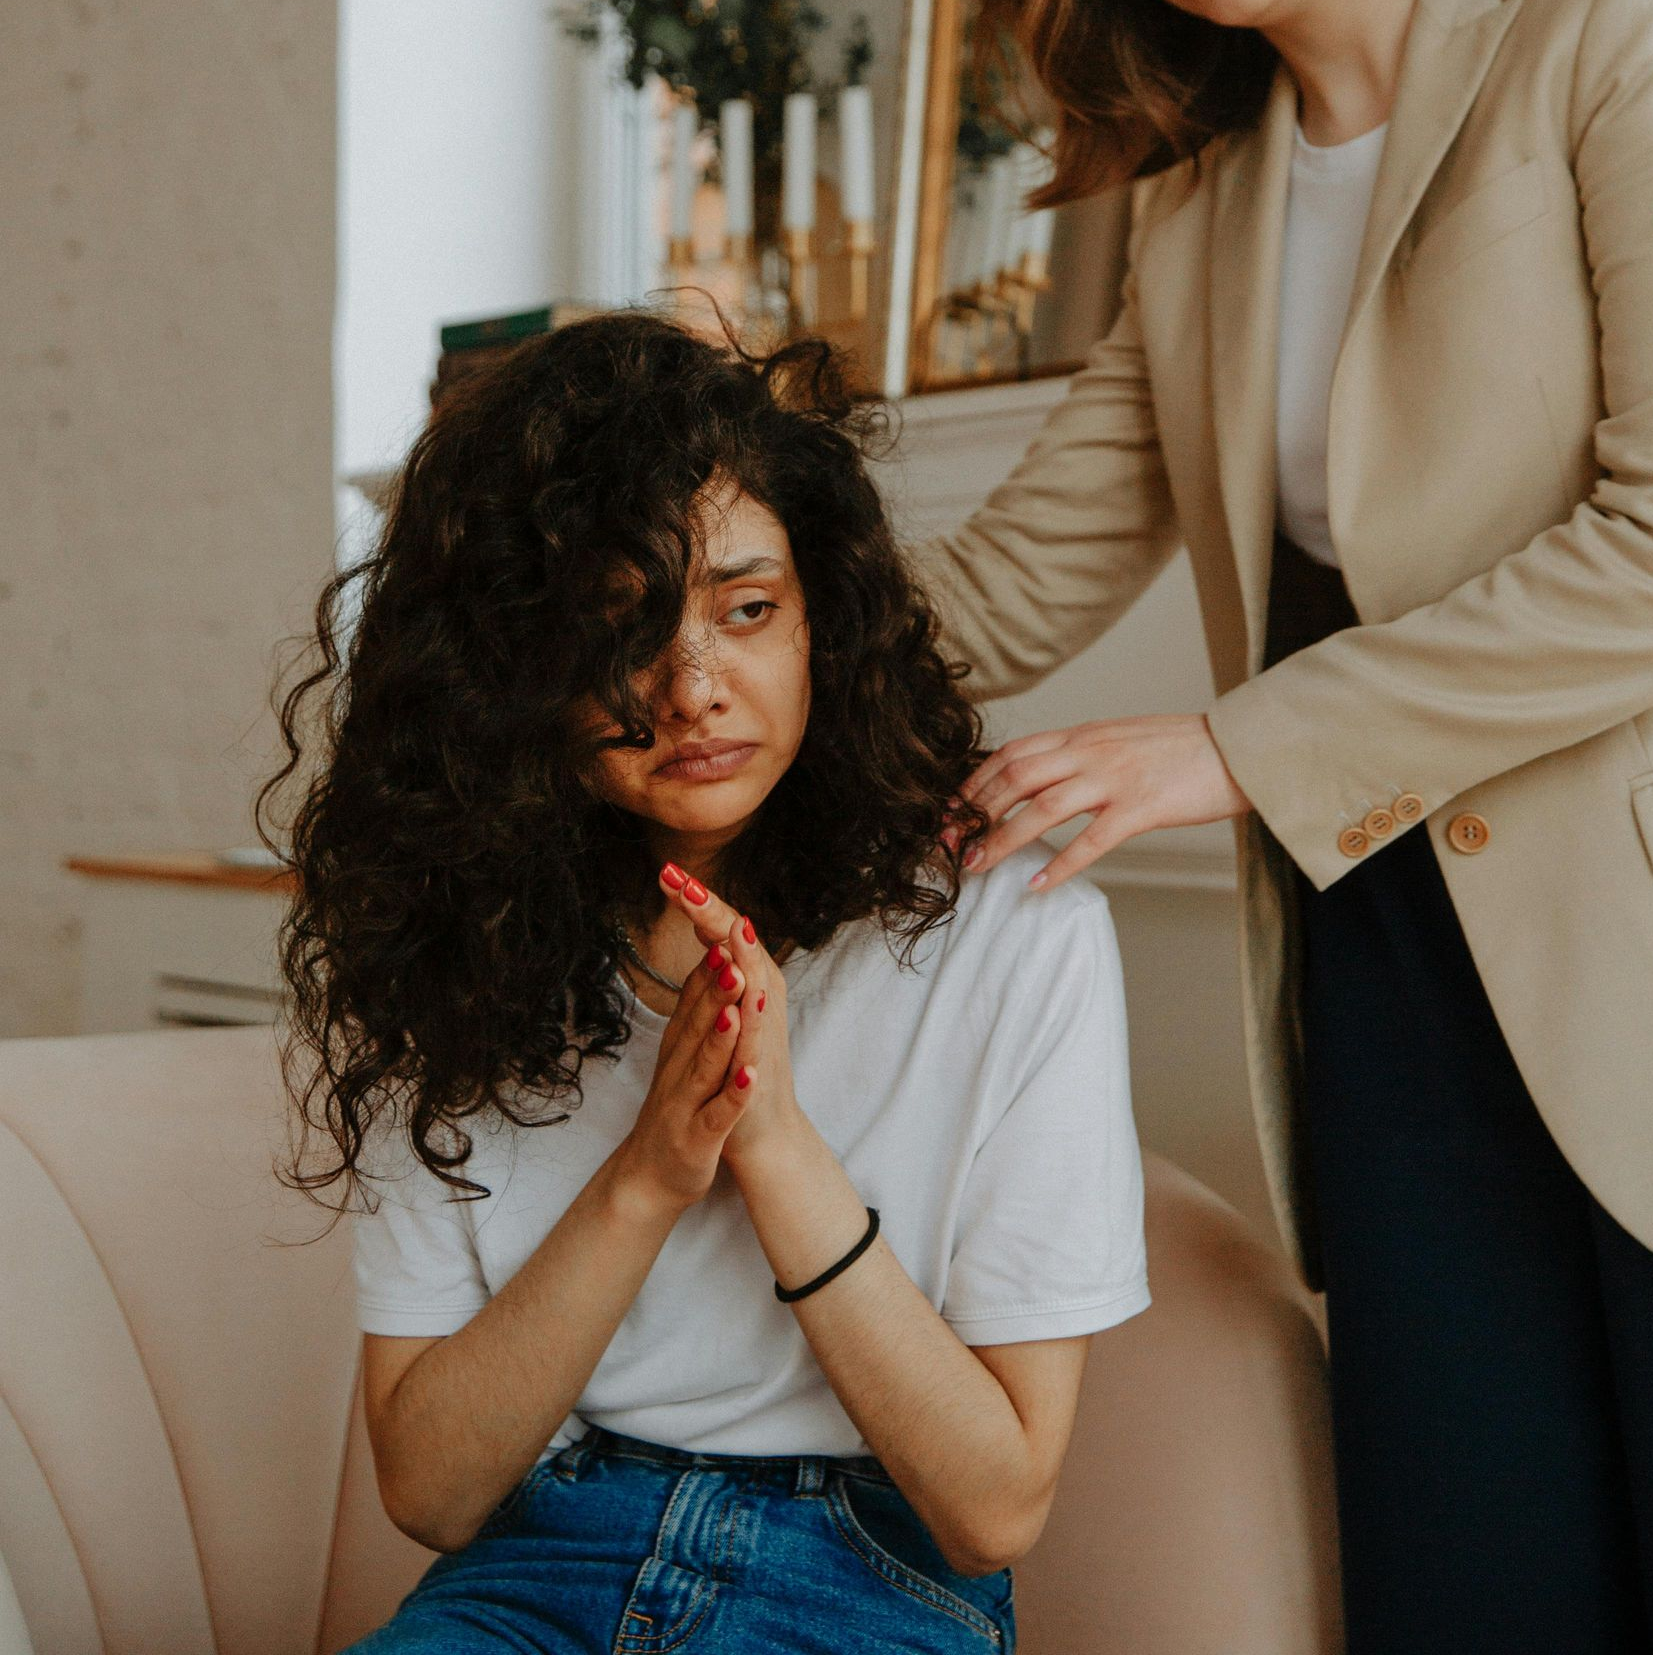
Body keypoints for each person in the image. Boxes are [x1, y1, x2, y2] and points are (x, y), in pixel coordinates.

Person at [913, 0, 1653, 1646]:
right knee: (1472, 1572)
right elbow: (1005, 582)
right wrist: (703, 635)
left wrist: (1235, 748)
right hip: (1379, 970)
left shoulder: (1600, 43)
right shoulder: (1204, 190)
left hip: (1631, 944)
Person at [256, 310, 1149, 1653]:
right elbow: (432, 1490)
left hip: (870, 1572)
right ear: (512, 670)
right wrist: (649, 1173)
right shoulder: (452, 944)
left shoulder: (1015, 933)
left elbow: (994, 1507)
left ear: (822, 621)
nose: (694, 690)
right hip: (536, 1563)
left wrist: (774, 1144)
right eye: (618, 629)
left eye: (747, 609)